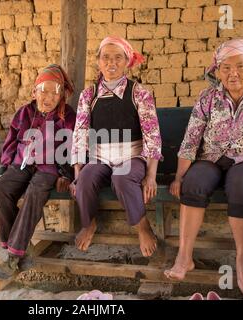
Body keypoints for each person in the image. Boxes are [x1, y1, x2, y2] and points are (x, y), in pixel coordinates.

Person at [164, 39, 243, 296]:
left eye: (241, 66)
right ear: (217, 70)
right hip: (211, 157)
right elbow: (191, 138)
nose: (233, 73)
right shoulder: (208, 96)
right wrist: (179, 176)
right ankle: (185, 256)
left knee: (241, 186)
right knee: (193, 183)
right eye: (226, 67)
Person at [71, 36, 162, 257]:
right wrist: (77, 172)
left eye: (118, 58)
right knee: (84, 180)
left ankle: (142, 227)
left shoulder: (139, 93)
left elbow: (152, 135)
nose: (111, 63)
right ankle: (89, 223)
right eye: (106, 58)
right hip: (100, 157)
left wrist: (151, 175)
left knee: (121, 177)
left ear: (127, 61)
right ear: (98, 61)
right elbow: (80, 134)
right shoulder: (89, 95)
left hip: (132, 157)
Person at [0, 64, 76, 271]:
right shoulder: (24, 113)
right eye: (44, 91)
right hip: (21, 163)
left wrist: (67, 174)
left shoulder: (67, 115)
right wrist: (2, 171)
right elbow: (11, 142)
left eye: (55, 92)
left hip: (49, 168)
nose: (49, 97)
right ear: (34, 92)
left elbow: (72, 147)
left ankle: (13, 254)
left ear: (61, 95)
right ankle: (17, 243)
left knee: (35, 191)